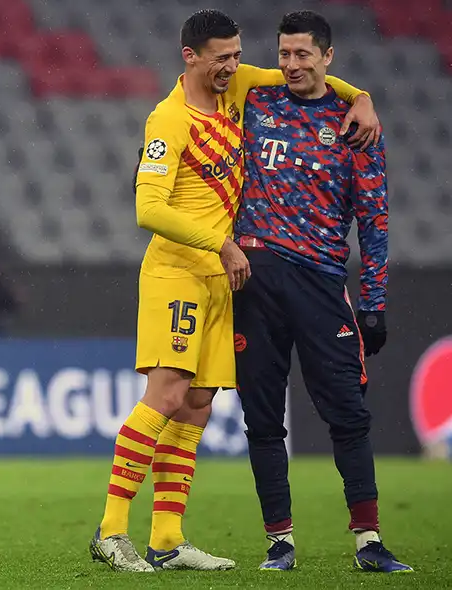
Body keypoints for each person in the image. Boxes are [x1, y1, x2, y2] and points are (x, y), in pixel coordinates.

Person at [89, 9, 380, 573]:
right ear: (189, 57)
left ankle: (168, 540)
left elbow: (311, 80)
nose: (233, 67)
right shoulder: (167, 121)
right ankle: (110, 530)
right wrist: (220, 245)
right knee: (168, 395)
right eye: (221, 58)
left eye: (236, 56)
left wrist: (361, 96)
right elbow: (148, 207)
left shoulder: (236, 86)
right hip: (177, 272)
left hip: (222, 280)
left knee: (197, 406)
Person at [233, 10, 411, 573]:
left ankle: (368, 542)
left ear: (326, 57)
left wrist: (374, 301)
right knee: (261, 418)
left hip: (321, 283)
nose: (289, 64)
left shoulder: (356, 125)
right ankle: (278, 544)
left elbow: (374, 220)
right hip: (254, 280)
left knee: (348, 415)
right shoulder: (256, 103)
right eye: (284, 53)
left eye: (302, 54)